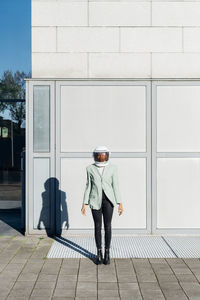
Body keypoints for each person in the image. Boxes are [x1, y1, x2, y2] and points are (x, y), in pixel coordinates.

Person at [81, 146, 123, 265]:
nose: (101, 157)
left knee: (108, 226)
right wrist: (84, 203)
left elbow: (116, 186)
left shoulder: (113, 168)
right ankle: (99, 253)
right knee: (97, 226)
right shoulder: (90, 168)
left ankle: (107, 253)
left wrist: (120, 203)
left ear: (107, 155)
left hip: (109, 201)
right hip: (95, 200)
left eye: (103, 154)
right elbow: (88, 186)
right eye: (98, 155)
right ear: (95, 155)